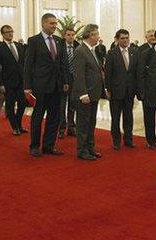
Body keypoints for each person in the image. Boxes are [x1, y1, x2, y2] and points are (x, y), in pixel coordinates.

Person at [24, 13, 68, 157]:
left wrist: (65, 81)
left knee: (54, 118)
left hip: (56, 86)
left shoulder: (59, 41)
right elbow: (28, 65)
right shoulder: (34, 41)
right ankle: (35, 146)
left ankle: (49, 146)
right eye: (51, 23)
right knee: (38, 117)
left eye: (55, 23)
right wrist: (27, 87)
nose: (54, 26)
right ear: (43, 24)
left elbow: (63, 64)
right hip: (40, 86)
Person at [71, 24, 104, 161]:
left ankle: (90, 148)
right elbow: (79, 75)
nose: (98, 37)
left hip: (94, 94)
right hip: (85, 95)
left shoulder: (92, 50)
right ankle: (82, 150)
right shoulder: (80, 50)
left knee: (91, 123)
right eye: (96, 34)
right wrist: (83, 94)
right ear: (90, 35)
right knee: (83, 123)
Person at [104, 29, 138, 150]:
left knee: (129, 117)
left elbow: (135, 72)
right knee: (116, 117)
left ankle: (128, 139)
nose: (125, 40)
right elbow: (108, 73)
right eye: (122, 38)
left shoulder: (134, 52)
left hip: (129, 91)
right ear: (117, 39)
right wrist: (107, 89)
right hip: (116, 91)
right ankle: (116, 141)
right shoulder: (111, 53)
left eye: (127, 38)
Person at [0, 25, 27, 135]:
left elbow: (22, 64)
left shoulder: (19, 46)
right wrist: (0, 84)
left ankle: (19, 124)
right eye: (7, 32)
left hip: (20, 81)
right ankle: (14, 127)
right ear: (2, 34)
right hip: (7, 82)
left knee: (22, 104)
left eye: (11, 31)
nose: (10, 34)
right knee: (10, 105)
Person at [58, 28, 79, 139]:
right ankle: (61, 128)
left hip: (75, 79)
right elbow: (59, 65)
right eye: (68, 35)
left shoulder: (78, 46)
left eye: (72, 35)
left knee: (73, 104)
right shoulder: (59, 47)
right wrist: (64, 81)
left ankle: (71, 127)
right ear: (64, 36)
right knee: (62, 105)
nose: (71, 37)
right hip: (63, 80)